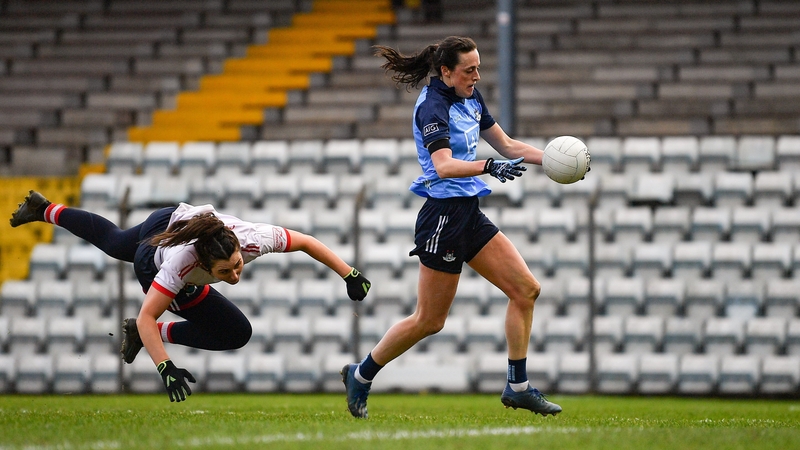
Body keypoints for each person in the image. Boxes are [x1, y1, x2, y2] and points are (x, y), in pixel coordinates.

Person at [340, 36, 562, 418]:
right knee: (429, 320)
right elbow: (443, 165)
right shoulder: (433, 106)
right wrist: (487, 166)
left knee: (526, 290)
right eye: (469, 69)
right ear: (446, 71)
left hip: (468, 212)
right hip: (442, 217)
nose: (477, 75)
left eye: (478, 67)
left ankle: (518, 386)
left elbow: (507, 145)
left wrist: (557, 161)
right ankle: (361, 374)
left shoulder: (472, 98)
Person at [10, 191, 371, 402]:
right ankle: (150, 339)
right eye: (224, 273)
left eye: (236, 265)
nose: (235, 275)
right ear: (204, 266)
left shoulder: (252, 239)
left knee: (115, 241)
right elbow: (146, 315)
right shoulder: (181, 265)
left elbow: (306, 242)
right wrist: (164, 366)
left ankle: (43, 209)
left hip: (170, 219)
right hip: (153, 258)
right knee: (235, 333)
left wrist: (348, 274)